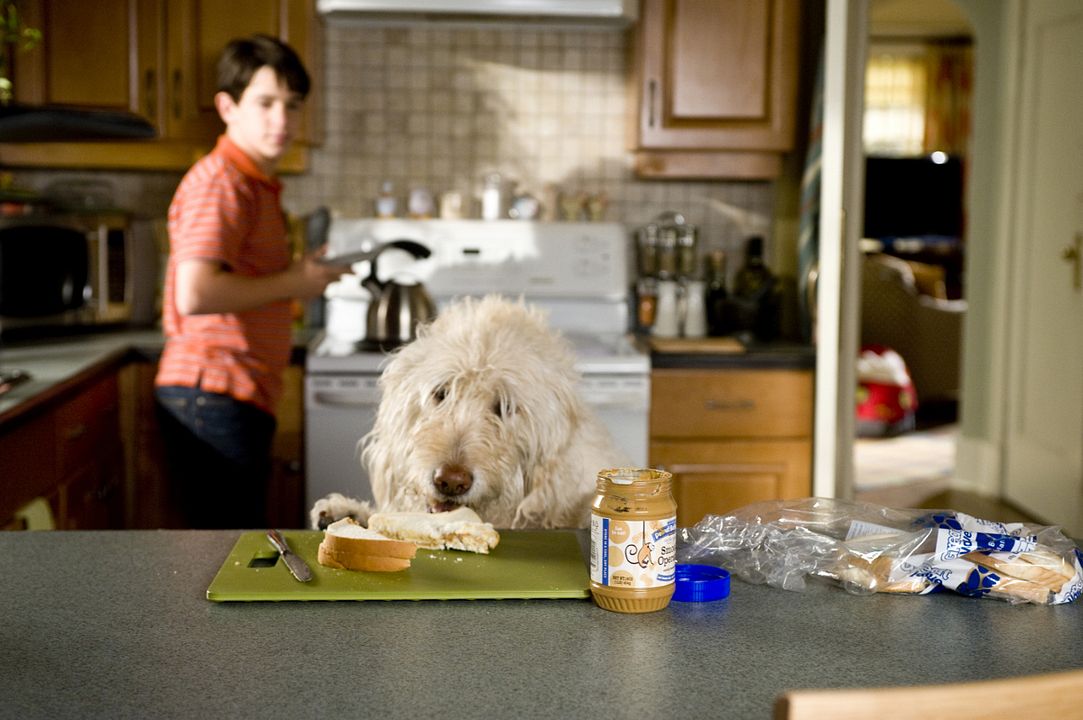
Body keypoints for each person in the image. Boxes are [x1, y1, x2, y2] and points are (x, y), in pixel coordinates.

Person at [155, 35, 348, 529]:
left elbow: (245, 278)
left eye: (292, 105)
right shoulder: (222, 181)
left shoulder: (252, 184)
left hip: (234, 390)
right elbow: (195, 293)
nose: (281, 121)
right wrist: (292, 281)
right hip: (213, 391)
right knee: (223, 552)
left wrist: (299, 278)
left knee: (227, 546)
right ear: (227, 106)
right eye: (264, 103)